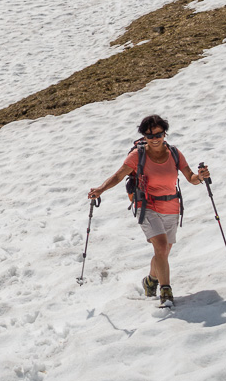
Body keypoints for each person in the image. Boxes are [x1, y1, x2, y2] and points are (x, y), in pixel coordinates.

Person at [87, 114, 210, 307]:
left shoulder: (175, 153)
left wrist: (201, 177)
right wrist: (100, 189)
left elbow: (190, 178)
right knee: (161, 246)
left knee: (164, 251)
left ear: (164, 134)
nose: (154, 138)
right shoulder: (138, 155)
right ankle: (165, 291)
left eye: (158, 134)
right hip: (147, 205)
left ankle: (150, 280)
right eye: (149, 135)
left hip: (171, 205)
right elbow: (119, 176)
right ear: (144, 136)